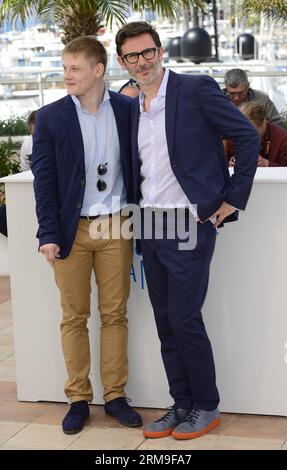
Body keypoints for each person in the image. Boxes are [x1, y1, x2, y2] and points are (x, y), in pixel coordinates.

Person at [115, 21, 259, 440]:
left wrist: (232, 198)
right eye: (131, 56)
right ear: (123, 62)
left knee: (184, 317)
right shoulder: (132, 106)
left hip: (190, 222)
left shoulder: (194, 90)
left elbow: (246, 138)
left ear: (160, 52)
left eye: (147, 52)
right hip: (150, 222)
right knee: (164, 320)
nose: (141, 62)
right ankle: (181, 404)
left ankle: (207, 405)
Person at [31, 35, 142, 435]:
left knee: (115, 315)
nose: (67, 75)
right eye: (64, 68)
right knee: (74, 317)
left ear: (99, 70)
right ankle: (78, 398)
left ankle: (115, 396)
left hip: (117, 225)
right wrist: (48, 232)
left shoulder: (130, 110)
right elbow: (44, 183)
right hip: (70, 230)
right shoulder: (49, 117)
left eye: (75, 68)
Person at [227, 101, 287, 167]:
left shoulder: (283, 138)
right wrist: (230, 164)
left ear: (264, 122)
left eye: (253, 133)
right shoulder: (232, 135)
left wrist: (267, 164)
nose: (248, 138)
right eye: (243, 133)